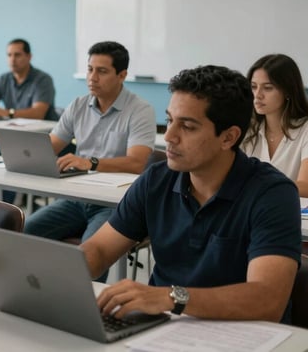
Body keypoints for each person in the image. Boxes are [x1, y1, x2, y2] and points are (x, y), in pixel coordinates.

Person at [83, 65, 301, 323]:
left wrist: (171, 298)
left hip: (243, 335)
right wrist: (49, 273)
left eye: (187, 126)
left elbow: (267, 300)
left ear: (228, 137)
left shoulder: (272, 194)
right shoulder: (156, 179)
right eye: (170, 120)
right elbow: (98, 249)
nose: (169, 137)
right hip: (163, 326)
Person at [24, 41, 155, 281]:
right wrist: (26, 154)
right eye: (89, 69)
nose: (92, 77)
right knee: (27, 231)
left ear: (122, 75)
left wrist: (91, 162)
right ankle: (41, 289)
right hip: (75, 198)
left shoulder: (140, 110)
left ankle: (86, 308)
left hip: (115, 204)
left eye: (102, 71)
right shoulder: (78, 105)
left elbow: (137, 163)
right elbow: (51, 146)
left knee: (92, 253)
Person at [242, 54, 308, 197]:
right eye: (253, 87)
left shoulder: (305, 129)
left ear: (288, 91)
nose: (257, 95)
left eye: (268, 88)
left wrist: (260, 184)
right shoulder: (245, 129)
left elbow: (306, 187)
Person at [0, 38, 57, 121]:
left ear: (29, 57)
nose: (12, 60)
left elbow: (38, 114)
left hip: (42, 132)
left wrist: (7, 113)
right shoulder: (3, 79)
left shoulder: (43, 80)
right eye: (9, 55)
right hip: (14, 129)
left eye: (17, 55)